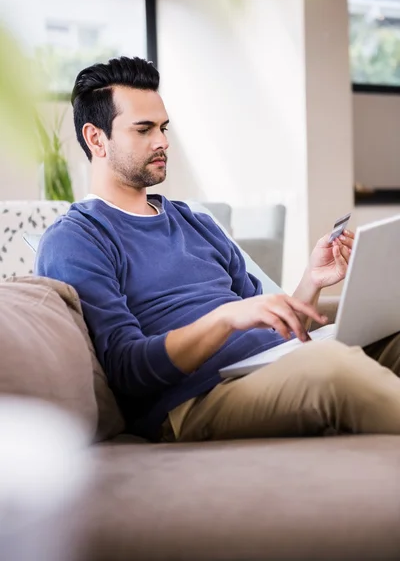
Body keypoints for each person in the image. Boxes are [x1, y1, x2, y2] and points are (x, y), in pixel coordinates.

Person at [36, 56, 400, 442]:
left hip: (273, 364)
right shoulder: (77, 238)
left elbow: (268, 324)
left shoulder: (195, 221)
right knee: (334, 367)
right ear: (96, 139)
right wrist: (224, 318)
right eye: (143, 130)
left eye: (162, 128)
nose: (162, 142)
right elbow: (128, 369)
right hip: (194, 400)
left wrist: (312, 280)